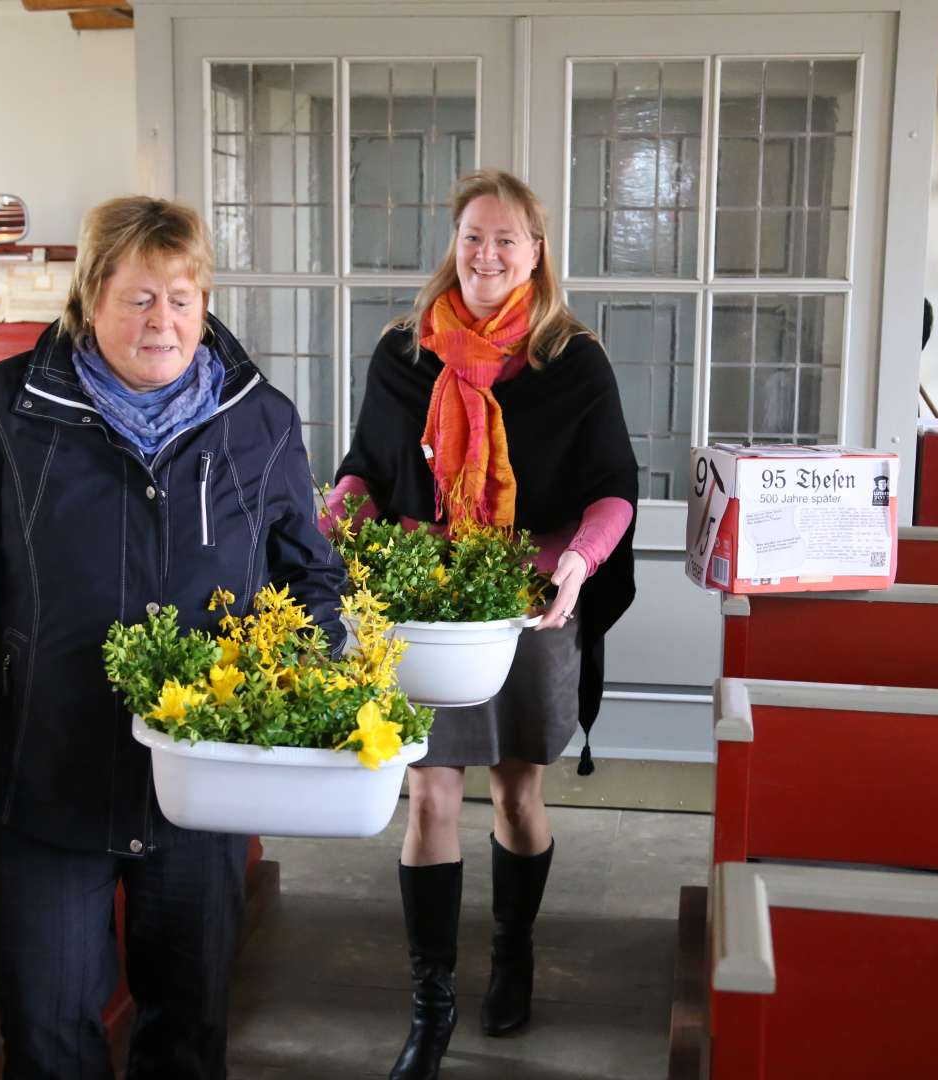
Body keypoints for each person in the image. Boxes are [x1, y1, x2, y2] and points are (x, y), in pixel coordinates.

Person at [0, 195, 346, 1079]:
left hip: (203, 786)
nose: (164, 322)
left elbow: (311, 578)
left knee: (186, 1030)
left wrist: (316, 685)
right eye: (139, 298)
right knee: (46, 1024)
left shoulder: (259, 418)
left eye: (183, 298)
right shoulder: (5, 412)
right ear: (90, 297)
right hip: (48, 771)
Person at [326, 169, 638, 1080]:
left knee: (514, 796)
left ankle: (513, 953)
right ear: (453, 245)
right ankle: (432, 1004)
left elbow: (613, 489)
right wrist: (334, 520)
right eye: (473, 238)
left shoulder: (573, 358)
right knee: (426, 796)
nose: (488, 255)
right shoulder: (401, 352)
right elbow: (366, 470)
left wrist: (576, 564)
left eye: (507, 240)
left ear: (537, 253)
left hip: (530, 604)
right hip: (427, 607)